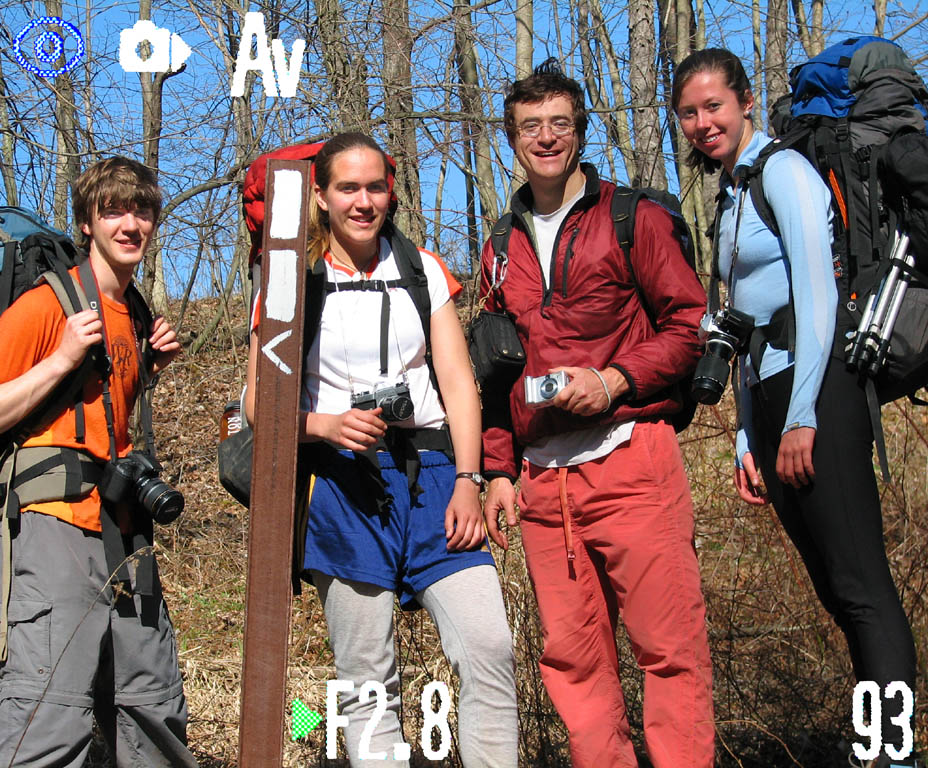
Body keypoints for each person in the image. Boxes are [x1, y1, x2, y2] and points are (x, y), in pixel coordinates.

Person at [672, 49, 919, 768]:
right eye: (688, 113)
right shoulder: (733, 188)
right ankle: (873, 744)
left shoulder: (783, 172)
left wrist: (804, 414)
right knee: (838, 593)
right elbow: (746, 326)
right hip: (773, 394)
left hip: (821, 391)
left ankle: (894, 753)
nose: (701, 123)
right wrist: (749, 435)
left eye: (713, 106)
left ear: (746, 101)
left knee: (862, 585)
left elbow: (816, 298)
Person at [245, 133, 518, 768]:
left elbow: (457, 384)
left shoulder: (421, 267)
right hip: (342, 484)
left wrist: (469, 480)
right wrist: (326, 426)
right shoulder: (289, 281)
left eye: (375, 187)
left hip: (434, 477)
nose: (363, 202)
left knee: (488, 646)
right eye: (348, 188)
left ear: (390, 192)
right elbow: (260, 407)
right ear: (320, 196)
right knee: (367, 672)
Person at [479, 59, 715, 768]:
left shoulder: (631, 215)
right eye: (530, 127)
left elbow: (688, 325)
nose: (545, 137)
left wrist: (613, 380)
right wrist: (496, 471)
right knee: (575, 667)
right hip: (545, 488)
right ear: (511, 140)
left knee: (669, 651)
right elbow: (494, 371)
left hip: (631, 458)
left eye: (559, 123)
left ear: (580, 132)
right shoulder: (500, 245)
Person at [0, 157, 197, 767]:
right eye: (114, 210)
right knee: (51, 705)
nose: (131, 223)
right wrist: (62, 355)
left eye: (143, 210)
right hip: (51, 522)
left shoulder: (134, 312)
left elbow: (98, 420)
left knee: (151, 704)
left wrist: (146, 368)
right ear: (87, 222)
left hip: (123, 531)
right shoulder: (48, 305)